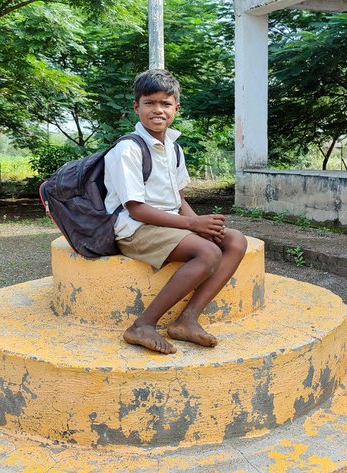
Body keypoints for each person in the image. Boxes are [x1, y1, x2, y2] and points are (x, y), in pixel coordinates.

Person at [104, 69, 247, 355]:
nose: (158, 110)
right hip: (135, 228)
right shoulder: (128, 150)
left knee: (234, 241)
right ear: (137, 106)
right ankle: (143, 325)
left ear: (176, 108)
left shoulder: (174, 148)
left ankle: (187, 320)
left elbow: (177, 198)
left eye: (166, 104)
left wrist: (202, 225)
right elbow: (135, 208)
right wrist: (192, 224)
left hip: (169, 224)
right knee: (208, 253)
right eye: (150, 103)